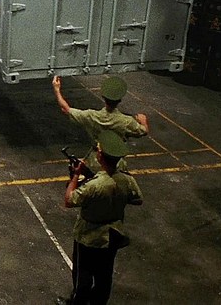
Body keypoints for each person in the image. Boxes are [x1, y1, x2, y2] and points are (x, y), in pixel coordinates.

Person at [62, 130, 143, 305]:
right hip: (113, 235)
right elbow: (137, 199)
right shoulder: (127, 180)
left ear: (100, 156)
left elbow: (69, 200)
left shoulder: (95, 185)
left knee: (83, 276)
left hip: (89, 237)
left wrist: (75, 175)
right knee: (104, 276)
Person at [52, 75, 149, 173]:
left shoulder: (91, 116)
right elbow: (143, 131)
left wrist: (57, 89)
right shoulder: (126, 121)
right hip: (116, 164)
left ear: (103, 97)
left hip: (95, 162)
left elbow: (66, 109)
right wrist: (143, 121)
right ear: (119, 100)